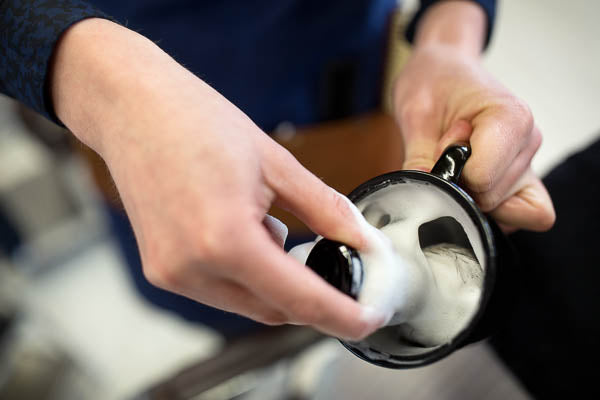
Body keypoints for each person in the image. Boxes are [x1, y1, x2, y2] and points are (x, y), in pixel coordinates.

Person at [0, 0, 554, 343]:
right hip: (139, 116)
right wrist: (96, 84)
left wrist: (449, 38)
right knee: (227, 297)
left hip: (343, 81)